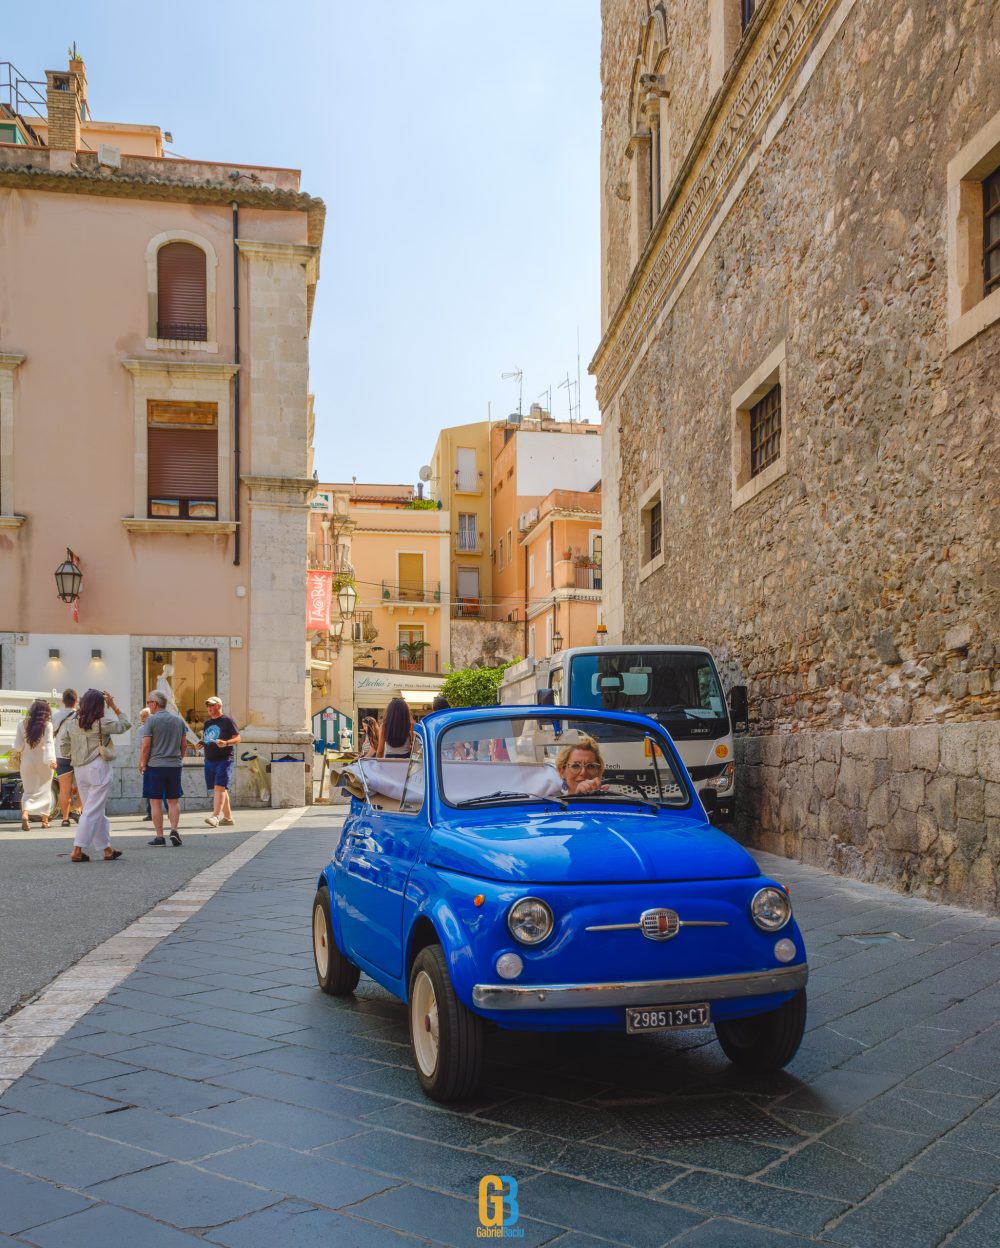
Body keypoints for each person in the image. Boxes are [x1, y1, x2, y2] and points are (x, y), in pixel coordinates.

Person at [61, 689, 129, 862]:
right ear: (99, 705)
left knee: (95, 810)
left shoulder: (73, 722)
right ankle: (77, 849)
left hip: (79, 768)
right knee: (92, 811)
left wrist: (72, 757)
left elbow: (64, 744)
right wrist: (114, 705)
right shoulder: (101, 722)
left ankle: (107, 849)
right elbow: (125, 724)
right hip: (97, 767)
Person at [139, 690, 187, 846]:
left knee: (155, 802)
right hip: (174, 766)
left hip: (155, 766)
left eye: (148, 703)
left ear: (155, 704)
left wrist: (142, 763)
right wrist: (179, 758)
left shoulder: (151, 721)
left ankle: (160, 836)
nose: (148, 706)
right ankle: (174, 830)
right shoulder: (178, 721)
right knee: (173, 800)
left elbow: (146, 745)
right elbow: (184, 745)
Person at [14, 698, 56, 831]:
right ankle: (44, 821)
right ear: (45, 711)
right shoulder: (47, 725)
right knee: (45, 789)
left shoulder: (22, 724)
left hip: (27, 762)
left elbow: (18, 746)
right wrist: (52, 760)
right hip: (44, 762)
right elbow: (49, 743)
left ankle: (25, 814)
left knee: (29, 790)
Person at [201, 695, 239, 828]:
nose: (209, 708)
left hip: (224, 759)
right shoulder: (207, 723)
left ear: (219, 706)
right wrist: (201, 743)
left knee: (219, 787)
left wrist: (227, 742)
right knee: (221, 789)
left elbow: (238, 738)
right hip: (209, 760)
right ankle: (228, 818)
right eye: (208, 706)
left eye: (212, 705)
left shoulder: (227, 720)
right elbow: (208, 738)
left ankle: (215, 816)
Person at [52, 689, 82, 827]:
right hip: (80, 755)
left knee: (65, 789)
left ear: (63, 701)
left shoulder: (55, 716)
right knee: (82, 786)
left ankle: (65, 819)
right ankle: (78, 810)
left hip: (61, 755)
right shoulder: (80, 715)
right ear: (76, 701)